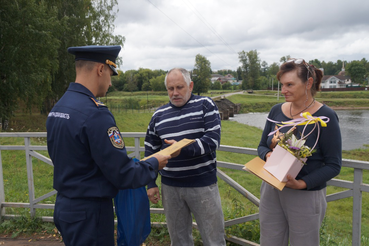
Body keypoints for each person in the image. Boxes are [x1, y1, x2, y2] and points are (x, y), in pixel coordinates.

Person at [46, 45, 171, 246]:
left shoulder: (59, 107)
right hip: (90, 213)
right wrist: (154, 164)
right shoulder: (95, 113)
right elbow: (122, 173)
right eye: (111, 74)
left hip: (65, 207)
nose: (111, 83)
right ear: (100, 70)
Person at [257, 58, 342, 246]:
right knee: (269, 241)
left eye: (289, 85)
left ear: (308, 83)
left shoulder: (325, 117)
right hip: (272, 189)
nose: (283, 90)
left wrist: (302, 183)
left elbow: (334, 165)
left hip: (305, 195)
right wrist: (267, 155)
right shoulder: (276, 111)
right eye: (282, 85)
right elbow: (262, 146)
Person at [144, 68, 226, 246]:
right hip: (170, 187)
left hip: (203, 185)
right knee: (179, 240)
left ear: (190, 85)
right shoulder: (158, 115)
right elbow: (150, 150)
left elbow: (212, 141)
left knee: (214, 239)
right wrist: (150, 183)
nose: (174, 93)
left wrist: (181, 148)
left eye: (179, 87)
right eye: (170, 88)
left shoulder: (206, 105)